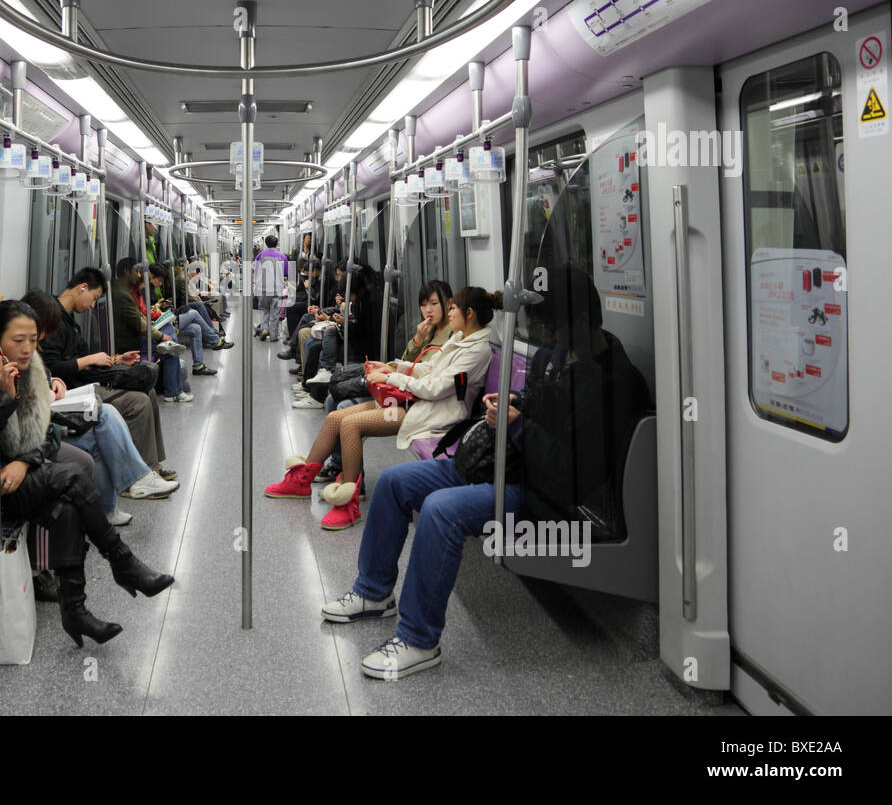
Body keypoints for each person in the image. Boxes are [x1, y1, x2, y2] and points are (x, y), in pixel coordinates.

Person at [321, 266, 651, 679]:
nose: (547, 339)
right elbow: (545, 401)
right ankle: (373, 591)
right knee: (393, 482)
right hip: (505, 463)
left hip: (543, 495)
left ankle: (420, 639)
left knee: (441, 511)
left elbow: (569, 475)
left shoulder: (611, 383)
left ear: (582, 323)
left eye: (553, 329)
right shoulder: (560, 356)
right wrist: (516, 403)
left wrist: (517, 426)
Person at [0, 299, 174, 647]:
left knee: (68, 509)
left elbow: (45, 435)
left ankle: (75, 610)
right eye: (19, 340)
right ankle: (123, 563)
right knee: (73, 478)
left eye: (33, 339)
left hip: (15, 475)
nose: (29, 348)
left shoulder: (28, 367)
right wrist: (4, 399)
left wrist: (23, 461)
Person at [268, 285, 496, 531]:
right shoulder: (460, 340)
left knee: (350, 424)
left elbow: (436, 388)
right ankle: (302, 481)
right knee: (336, 417)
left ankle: (349, 503)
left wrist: (390, 379)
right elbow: (429, 370)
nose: (450, 313)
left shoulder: (477, 351)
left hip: (429, 410)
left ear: (469, 313)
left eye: (453, 308)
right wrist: (393, 368)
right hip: (412, 400)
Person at [24, 290, 178, 525]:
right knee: (116, 411)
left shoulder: (61, 329)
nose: (94, 304)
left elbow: (50, 373)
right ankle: (138, 477)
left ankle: (144, 473)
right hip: (71, 395)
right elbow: (58, 368)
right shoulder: (22, 352)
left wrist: (114, 360)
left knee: (146, 394)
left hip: (71, 391)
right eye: (94, 297)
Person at [112, 257, 193, 402]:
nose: (138, 275)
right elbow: (139, 323)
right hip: (133, 339)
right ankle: (174, 391)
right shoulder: (123, 294)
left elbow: (139, 317)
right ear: (126, 272)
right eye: (136, 272)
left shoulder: (125, 290)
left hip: (136, 331)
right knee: (168, 343)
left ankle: (173, 391)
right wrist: (161, 336)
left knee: (169, 339)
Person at [149, 263, 224, 376]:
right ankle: (214, 340)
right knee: (194, 312)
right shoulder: (144, 291)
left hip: (162, 321)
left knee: (196, 328)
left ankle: (198, 366)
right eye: (158, 281)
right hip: (158, 326)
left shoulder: (151, 290)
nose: (159, 284)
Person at [253, 234, 289, 341]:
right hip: (276, 288)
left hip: (262, 288)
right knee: (275, 312)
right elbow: (286, 273)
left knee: (264, 309)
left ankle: (264, 329)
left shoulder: (260, 255)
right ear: (276, 244)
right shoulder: (282, 256)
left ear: (266, 244)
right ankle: (273, 336)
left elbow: (255, 271)